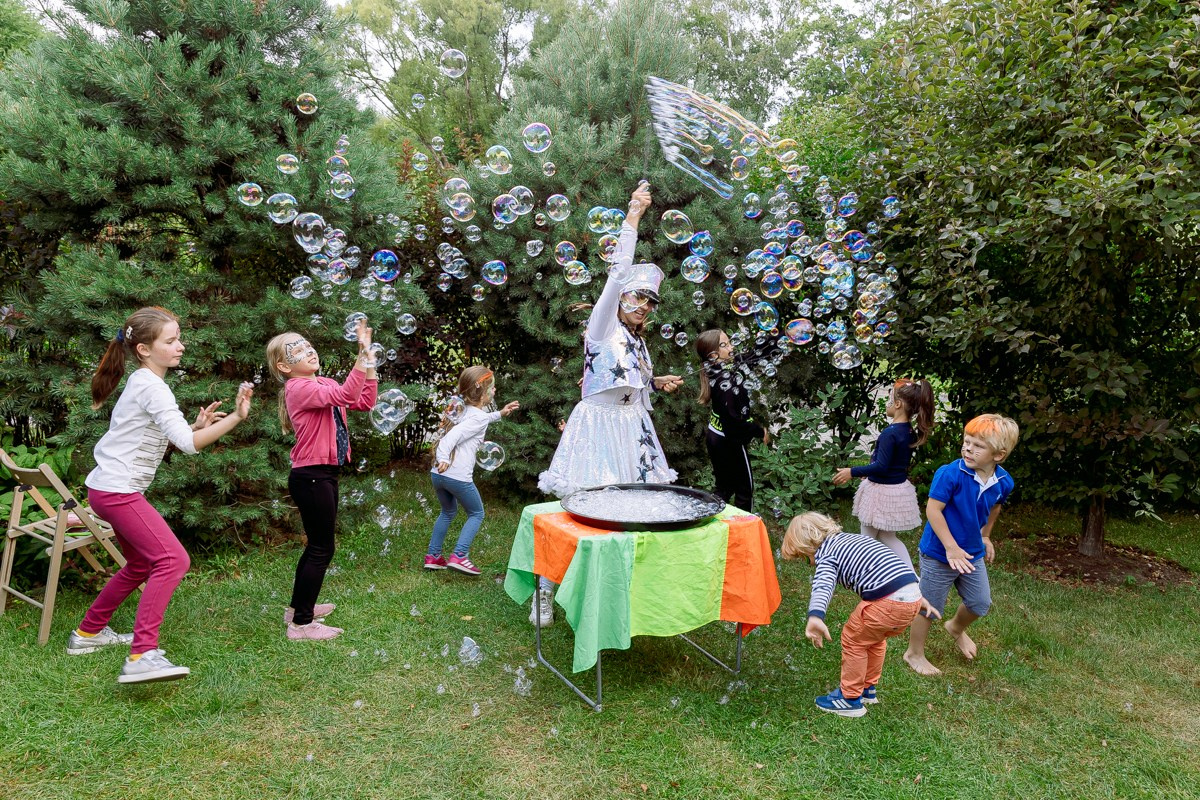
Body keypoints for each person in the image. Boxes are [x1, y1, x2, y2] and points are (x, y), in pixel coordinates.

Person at [69, 307, 253, 684]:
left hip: (108, 487)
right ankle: (142, 655)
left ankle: (87, 634)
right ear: (143, 349)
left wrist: (195, 425)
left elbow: (158, 433)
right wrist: (236, 418)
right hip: (118, 491)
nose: (180, 346)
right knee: (173, 560)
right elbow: (187, 446)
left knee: (139, 564)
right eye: (170, 341)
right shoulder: (152, 386)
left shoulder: (143, 382)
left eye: (178, 338)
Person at [533, 182, 683, 625]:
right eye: (639, 297)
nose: (644, 306)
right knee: (578, 511)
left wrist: (655, 384)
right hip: (597, 426)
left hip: (632, 427)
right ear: (619, 299)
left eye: (651, 301)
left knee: (635, 508)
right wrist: (634, 215)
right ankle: (546, 590)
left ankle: (618, 592)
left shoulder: (640, 345)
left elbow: (628, 384)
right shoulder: (602, 326)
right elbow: (617, 273)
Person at [266, 320, 378, 641]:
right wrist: (360, 355)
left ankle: (298, 608)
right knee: (321, 549)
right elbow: (346, 392)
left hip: (320, 474)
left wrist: (368, 362)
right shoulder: (298, 387)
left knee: (317, 546)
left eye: (307, 344)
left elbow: (362, 401)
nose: (308, 349)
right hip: (312, 476)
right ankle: (301, 625)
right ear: (284, 366)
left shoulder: (322, 383)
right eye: (297, 349)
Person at [782, 512, 939, 717]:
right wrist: (919, 599)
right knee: (874, 639)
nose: (810, 563)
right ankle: (867, 689)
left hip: (888, 602)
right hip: (912, 595)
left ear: (808, 545)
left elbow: (822, 585)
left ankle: (849, 699)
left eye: (805, 558)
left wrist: (815, 616)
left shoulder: (827, 554)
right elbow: (893, 566)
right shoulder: (854, 539)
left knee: (854, 639)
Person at [904, 414, 1019, 676]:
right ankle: (914, 653)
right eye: (967, 441)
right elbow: (933, 511)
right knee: (929, 607)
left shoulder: (1003, 482)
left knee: (980, 603)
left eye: (978, 445)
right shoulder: (949, 474)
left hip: (971, 553)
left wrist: (986, 536)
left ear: (998, 455)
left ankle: (956, 627)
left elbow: (994, 507)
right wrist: (950, 547)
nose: (968, 448)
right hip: (938, 553)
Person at [424, 366, 519, 576]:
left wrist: (500, 413)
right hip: (456, 475)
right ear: (482, 392)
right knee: (476, 513)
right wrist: (443, 457)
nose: (495, 392)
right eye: (492, 389)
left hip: (438, 475)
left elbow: (477, 420)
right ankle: (459, 555)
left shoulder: (460, 409)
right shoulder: (478, 417)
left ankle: (433, 556)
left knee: (448, 512)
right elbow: (451, 438)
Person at [833, 378, 935, 564]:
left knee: (867, 538)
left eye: (889, 400)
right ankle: (910, 576)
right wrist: (869, 471)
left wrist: (852, 471)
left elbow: (881, 465)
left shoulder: (891, 433)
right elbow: (891, 464)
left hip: (880, 492)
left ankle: (863, 573)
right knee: (888, 538)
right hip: (895, 489)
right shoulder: (908, 431)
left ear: (897, 404)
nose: (887, 404)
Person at [694, 328, 771, 512]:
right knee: (745, 490)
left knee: (724, 487)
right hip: (728, 441)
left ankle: (708, 521)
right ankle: (743, 530)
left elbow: (751, 357)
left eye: (729, 342)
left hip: (716, 435)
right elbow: (735, 424)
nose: (731, 347)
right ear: (713, 355)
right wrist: (760, 431)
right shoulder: (724, 384)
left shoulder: (721, 368)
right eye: (725, 344)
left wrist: (775, 336)